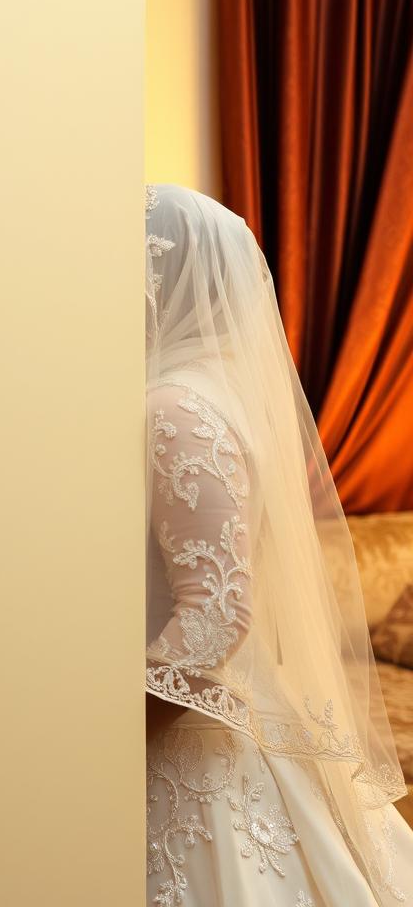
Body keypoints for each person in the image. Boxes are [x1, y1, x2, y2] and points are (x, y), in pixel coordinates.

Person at [143, 184, 413, 906]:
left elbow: (217, 614)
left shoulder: (175, 406)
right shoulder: (211, 395)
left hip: (181, 738)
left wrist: (110, 727)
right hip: (227, 713)